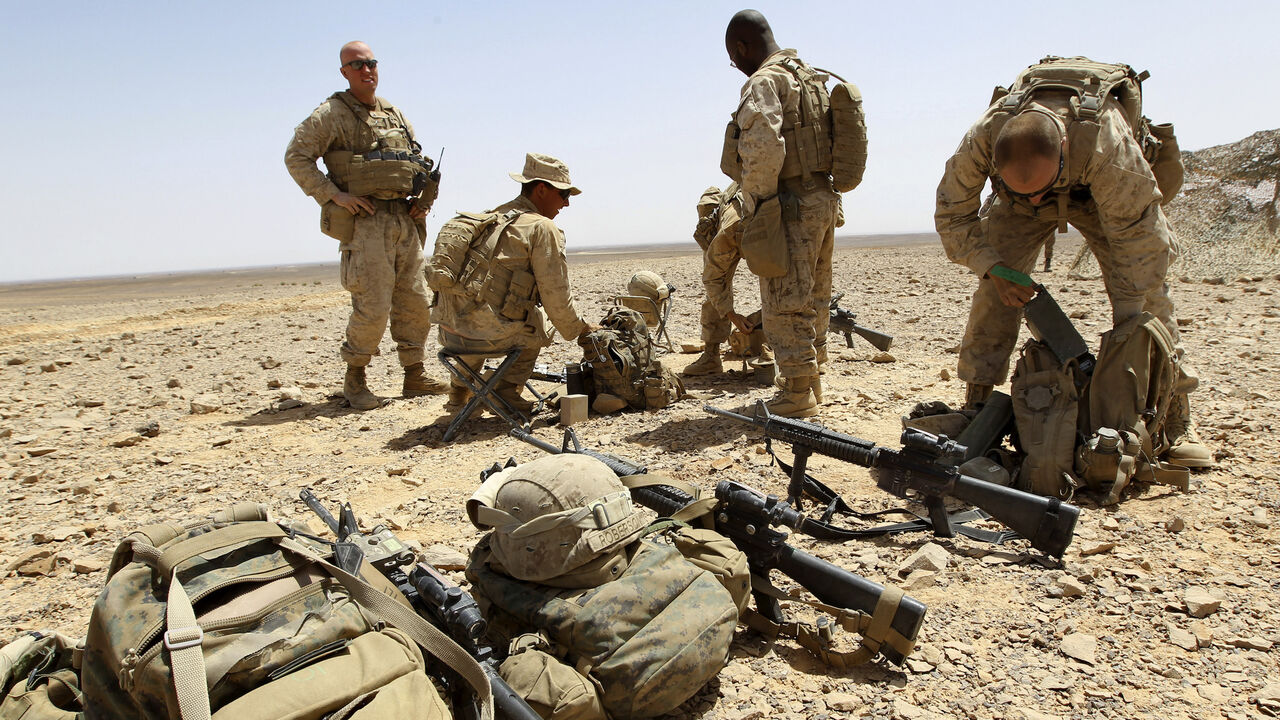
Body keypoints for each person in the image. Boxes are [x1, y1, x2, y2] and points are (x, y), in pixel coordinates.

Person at [934, 59, 1212, 467]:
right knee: (993, 296)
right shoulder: (983, 135)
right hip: (1011, 207)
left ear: (1064, 151)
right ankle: (978, 408)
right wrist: (994, 269)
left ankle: (1172, 419)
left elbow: (1142, 243)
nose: (1035, 200)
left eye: (1038, 190)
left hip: (1099, 199)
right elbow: (951, 215)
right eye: (1023, 190)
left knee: (1148, 302)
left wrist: (1128, 331)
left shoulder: (1106, 143)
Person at [285, 41, 448, 411]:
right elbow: (297, 157)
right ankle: (355, 378)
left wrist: (422, 201)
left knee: (415, 303)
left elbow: (412, 162)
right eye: (357, 65)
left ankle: (414, 375)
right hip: (366, 222)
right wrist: (332, 195)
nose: (366, 70)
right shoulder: (331, 115)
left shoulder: (394, 114)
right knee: (372, 305)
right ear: (344, 72)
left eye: (371, 63)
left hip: (403, 221)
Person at [723, 10, 841, 417]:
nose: (736, 66)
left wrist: (755, 203)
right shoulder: (808, 76)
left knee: (783, 296)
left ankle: (795, 393)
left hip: (788, 204)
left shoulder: (763, 81)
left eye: (733, 57)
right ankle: (811, 380)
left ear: (742, 46)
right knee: (813, 293)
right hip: (823, 197)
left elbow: (764, 148)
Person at [433, 153, 598, 413]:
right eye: (564, 195)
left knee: (478, 307)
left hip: (450, 334)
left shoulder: (490, 218)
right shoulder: (542, 228)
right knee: (540, 321)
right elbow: (556, 296)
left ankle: (459, 392)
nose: (566, 204)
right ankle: (505, 391)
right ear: (542, 189)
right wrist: (580, 330)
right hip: (489, 338)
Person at [683, 182, 754, 376]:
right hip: (749, 230)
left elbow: (713, 279)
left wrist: (734, 317)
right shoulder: (725, 226)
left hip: (763, 232)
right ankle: (711, 355)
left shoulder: (729, 230)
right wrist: (732, 315)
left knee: (781, 287)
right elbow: (714, 282)